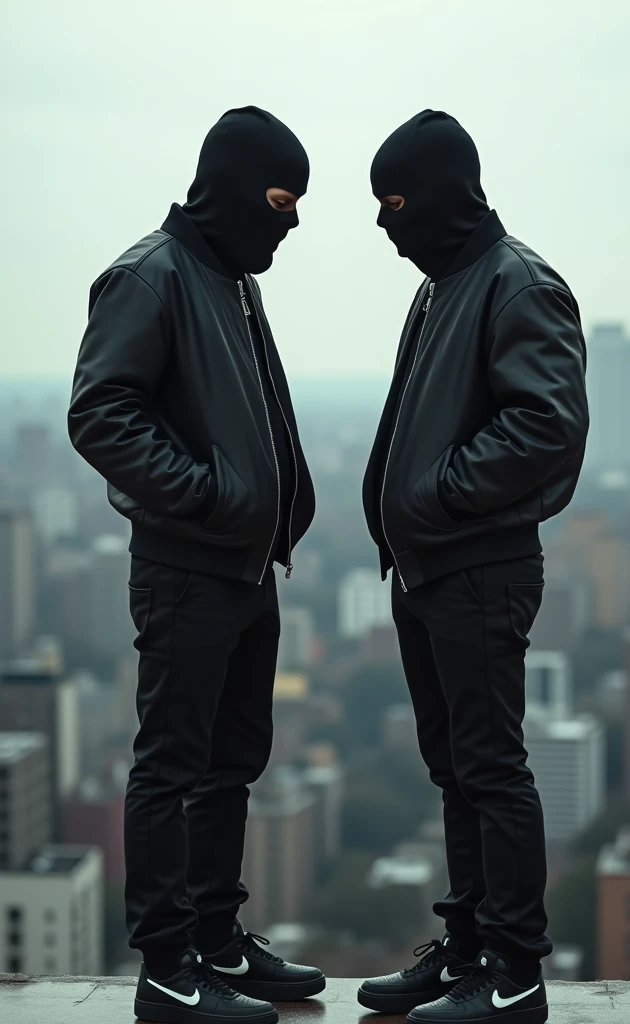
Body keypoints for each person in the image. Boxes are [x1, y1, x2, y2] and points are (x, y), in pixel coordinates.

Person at [69, 106, 325, 1024]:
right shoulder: (152, 275)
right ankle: (169, 968)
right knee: (173, 765)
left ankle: (218, 940)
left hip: (246, 568)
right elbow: (100, 412)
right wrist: (209, 497)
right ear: (232, 185)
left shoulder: (227, 275)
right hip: (186, 566)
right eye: (279, 200)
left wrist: (260, 518)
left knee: (231, 763)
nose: (288, 223)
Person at [358, 110, 588, 1024]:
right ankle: (468, 951)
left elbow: (546, 426)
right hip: (431, 570)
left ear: (444, 192)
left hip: (480, 566)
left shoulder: (517, 282)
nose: (385, 225)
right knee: (455, 772)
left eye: (397, 201)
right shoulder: (447, 282)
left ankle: (516, 973)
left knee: (492, 769)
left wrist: (440, 494)